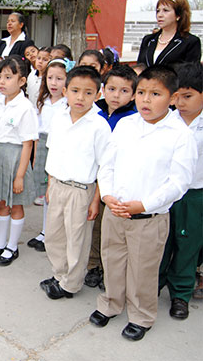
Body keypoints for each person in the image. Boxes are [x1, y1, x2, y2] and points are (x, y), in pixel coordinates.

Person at [90, 66, 197, 341]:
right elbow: (107, 163)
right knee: (112, 260)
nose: (145, 100)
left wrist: (144, 204)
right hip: (116, 210)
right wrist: (108, 195)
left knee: (143, 270)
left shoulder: (179, 135)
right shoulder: (127, 124)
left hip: (148, 218)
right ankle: (111, 303)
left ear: (172, 98)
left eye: (155, 94)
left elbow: (178, 182)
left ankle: (141, 315)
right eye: (141, 93)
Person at [40, 66, 111, 300]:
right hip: (58, 184)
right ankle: (60, 273)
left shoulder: (99, 126)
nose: (80, 97)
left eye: (88, 93)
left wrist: (95, 199)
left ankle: (71, 284)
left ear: (98, 94)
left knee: (77, 240)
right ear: (66, 90)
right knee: (54, 235)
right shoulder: (59, 118)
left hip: (81, 191)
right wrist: (50, 184)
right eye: (75, 91)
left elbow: (104, 166)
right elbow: (53, 152)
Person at [84, 65, 138, 289]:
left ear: (134, 94)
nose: (116, 95)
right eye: (112, 89)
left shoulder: (134, 118)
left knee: (113, 230)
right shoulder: (93, 110)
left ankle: (111, 271)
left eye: (124, 91)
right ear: (103, 89)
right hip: (91, 177)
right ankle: (94, 264)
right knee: (94, 226)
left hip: (118, 183)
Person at [0, 58, 38, 266]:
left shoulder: (25, 107)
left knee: (16, 204)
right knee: (2, 203)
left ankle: (12, 246)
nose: (1, 82)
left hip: (15, 159)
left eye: (7, 77)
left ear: (22, 81)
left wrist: (20, 175)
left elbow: (28, 144)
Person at [158, 62, 203, 320]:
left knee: (188, 244)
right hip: (165, 193)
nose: (181, 103)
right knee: (161, 241)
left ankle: (181, 294)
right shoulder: (167, 120)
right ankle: (154, 284)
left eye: (188, 96)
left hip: (194, 194)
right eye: (177, 96)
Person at [28, 58, 71, 253]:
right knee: (45, 193)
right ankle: (45, 230)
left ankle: (54, 233)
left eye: (59, 78)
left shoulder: (68, 104)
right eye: (50, 78)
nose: (53, 83)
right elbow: (38, 133)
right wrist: (36, 156)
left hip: (60, 149)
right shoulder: (43, 101)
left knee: (54, 193)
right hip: (43, 147)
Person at [137, 0, 201, 66]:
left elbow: (190, 73)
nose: (160, 15)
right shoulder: (148, 40)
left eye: (165, 10)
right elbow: (139, 68)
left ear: (178, 15)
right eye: (158, 11)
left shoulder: (190, 42)